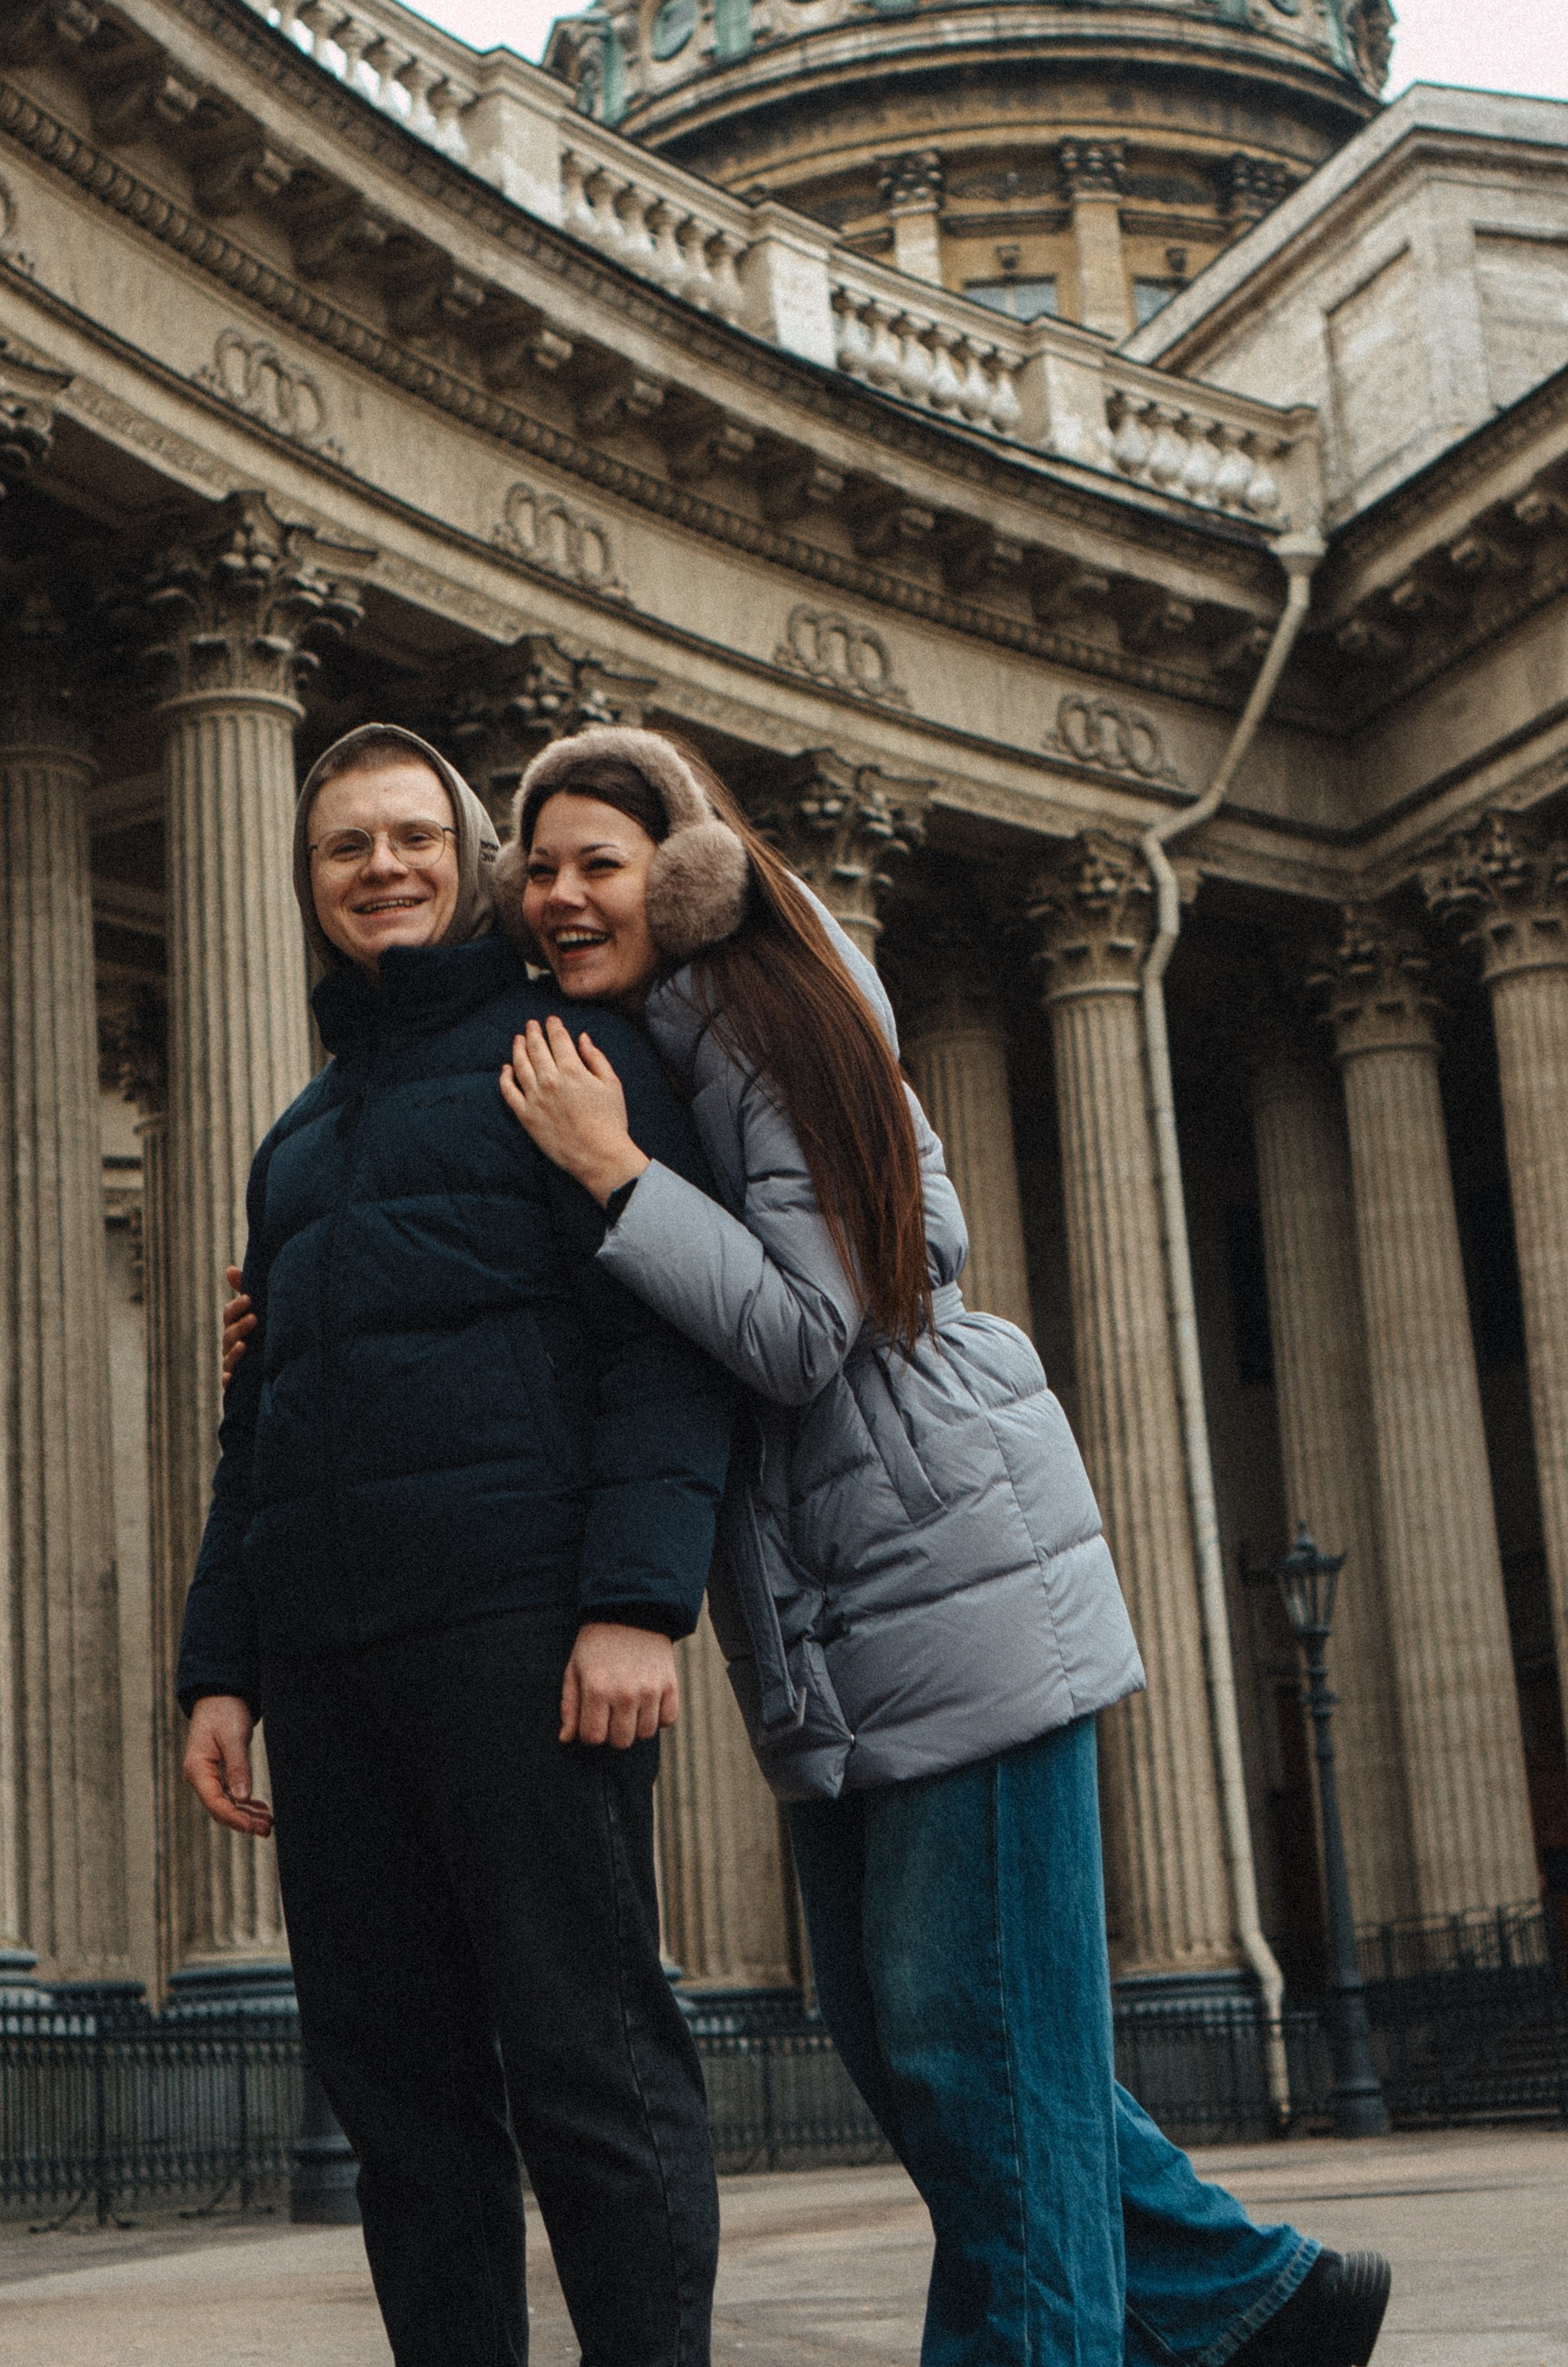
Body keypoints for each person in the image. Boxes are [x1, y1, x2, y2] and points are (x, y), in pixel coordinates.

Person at [480, 726, 1393, 2367]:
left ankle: (1192, 2318)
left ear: (682, 874)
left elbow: (803, 1333)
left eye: (594, 863)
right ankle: (1258, 2298)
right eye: (534, 868)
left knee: (976, 2060)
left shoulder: (762, 1021)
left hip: (947, 1579)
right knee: (920, 2052)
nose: (556, 895)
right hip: (841, 1609)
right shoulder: (660, 1049)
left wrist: (612, 1176)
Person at [179, 722, 738, 2367]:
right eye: (346, 846)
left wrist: (636, 1605)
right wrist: (224, 1664)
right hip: (331, 1658)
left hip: (517, 1635)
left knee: (587, 2063)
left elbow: (662, 1339)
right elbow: (259, 1421)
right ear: (309, 884)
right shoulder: (297, 1138)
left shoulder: (566, 1056)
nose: (382, 868)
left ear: (472, 859)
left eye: (414, 836)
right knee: (396, 2096)